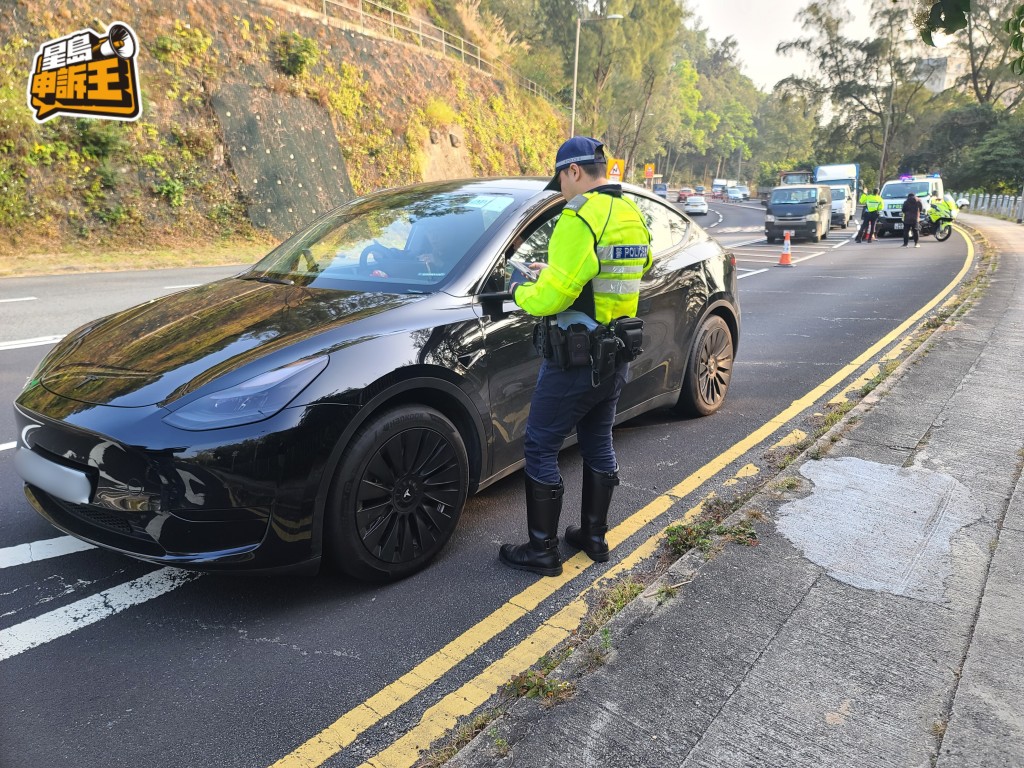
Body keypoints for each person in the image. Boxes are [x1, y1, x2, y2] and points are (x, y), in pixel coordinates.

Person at [498, 136, 653, 577]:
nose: (561, 190)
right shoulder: (630, 213)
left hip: (576, 356)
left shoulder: (579, 216)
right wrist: (565, 276)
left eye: (561, 180)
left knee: (541, 445)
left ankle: (542, 551)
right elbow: (634, 267)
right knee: (597, 440)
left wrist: (520, 288)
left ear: (574, 172)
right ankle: (594, 537)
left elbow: (554, 296)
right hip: (617, 351)